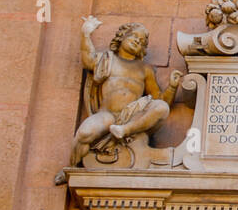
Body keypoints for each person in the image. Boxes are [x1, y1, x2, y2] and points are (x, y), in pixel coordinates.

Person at [57, 17, 182, 182]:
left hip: (132, 115)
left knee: (161, 108)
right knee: (85, 133)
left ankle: (125, 130)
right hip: (107, 114)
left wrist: (172, 87)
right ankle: (71, 169)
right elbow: (88, 60)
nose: (138, 41)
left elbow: (161, 100)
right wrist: (86, 33)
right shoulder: (108, 59)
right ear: (121, 37)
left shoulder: (144, 69)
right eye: (134, 37)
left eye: (142, 41)